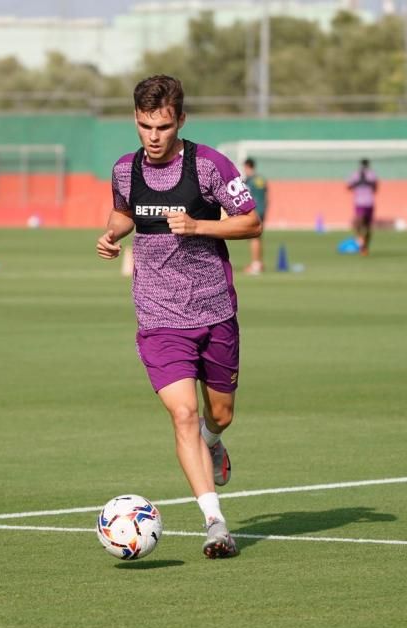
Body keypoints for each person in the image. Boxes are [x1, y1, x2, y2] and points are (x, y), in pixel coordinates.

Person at [96, 74, 261, 559]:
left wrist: (199, 225)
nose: (153, 136)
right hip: (158, 316)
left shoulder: (210, 166)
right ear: (136, 120)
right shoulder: (125, 169)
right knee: (183, 414)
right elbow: (125, 211)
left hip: (214, 311)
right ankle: (216, 523)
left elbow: (251, 222)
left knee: (219, 415)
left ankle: (215, 442)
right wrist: (112, 233)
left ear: (180, 121)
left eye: (163, 126)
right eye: (145, 125)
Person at [242, 158, 268, 275]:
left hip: (254, 211)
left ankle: (255, 265)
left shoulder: (249, 181)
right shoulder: (261, 179)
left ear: (247, 167)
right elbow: (267, 196)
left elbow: (246, 197)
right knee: (258, 237)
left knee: (253, 238)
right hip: (262, 210)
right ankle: (259, 263)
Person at [346, 158, 378, 256]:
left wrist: (367, 183)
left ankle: (364, 247)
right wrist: (358, 183)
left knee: (367, 226)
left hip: (368, 202)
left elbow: (375, 188)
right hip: (361, 202)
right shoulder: (356, 174)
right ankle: (361, 240)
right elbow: (349, 186)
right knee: (358, 222)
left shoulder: (371, 175)